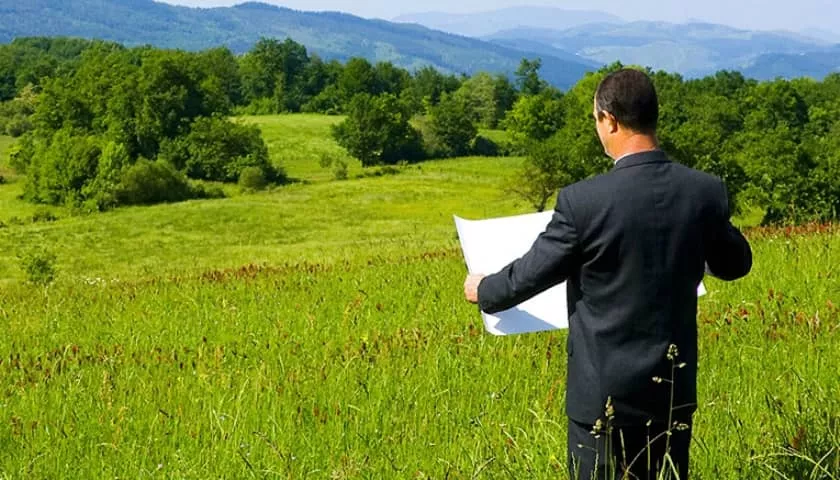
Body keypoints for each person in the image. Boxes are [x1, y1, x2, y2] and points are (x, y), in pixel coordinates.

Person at [463, 69, 752, 479]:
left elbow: (530, 274)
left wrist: (484, 290)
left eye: (596, 120)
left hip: (602, 399)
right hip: (672, 393)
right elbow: (736, 264)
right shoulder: (703, 191)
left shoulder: (583, 202)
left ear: (610, 120)